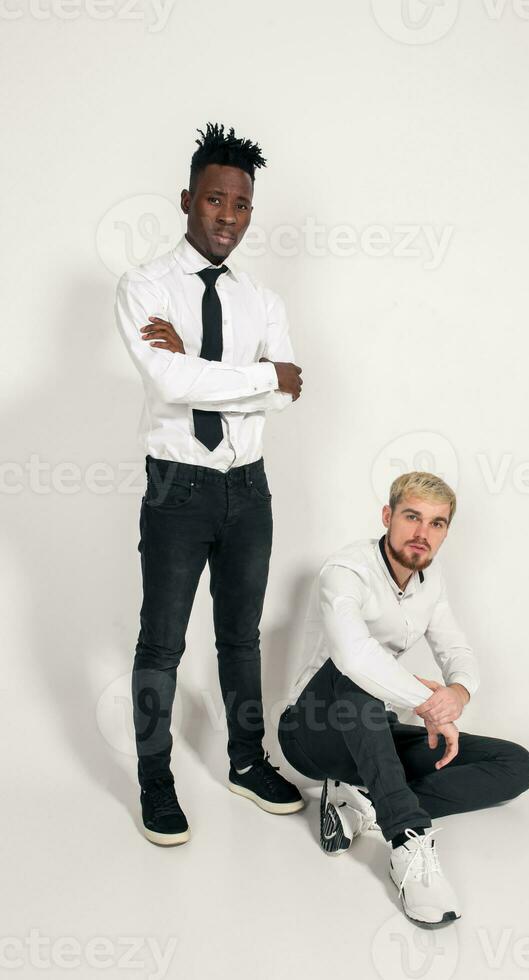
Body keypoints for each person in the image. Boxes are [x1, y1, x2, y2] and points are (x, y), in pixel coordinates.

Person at [115, 122, 305, 847]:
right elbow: (169, 380)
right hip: (178, 489)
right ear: (187, 199)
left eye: (243, 204)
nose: (228, 216)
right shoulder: (144, 288)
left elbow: (291, 393)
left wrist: (215, 376)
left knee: (241, 639)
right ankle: (154, 779)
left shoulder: (264, 300)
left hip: (249, 489)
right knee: (161, 643)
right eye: (216, 199)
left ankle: (246, 762)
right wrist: (261, 378)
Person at [278, 471, 529, 926]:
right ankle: (406, 838)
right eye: (412, 517)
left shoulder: (430, 583)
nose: (422, 533)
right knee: (355, 672)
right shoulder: (346, 570)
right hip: (312, 732)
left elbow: (456, 650)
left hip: (372, 733)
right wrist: (426, 702)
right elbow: (354, 656)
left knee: (515, 765)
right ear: (387, 516)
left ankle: (366, 800)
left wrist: (456, 693)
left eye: (436, 524)